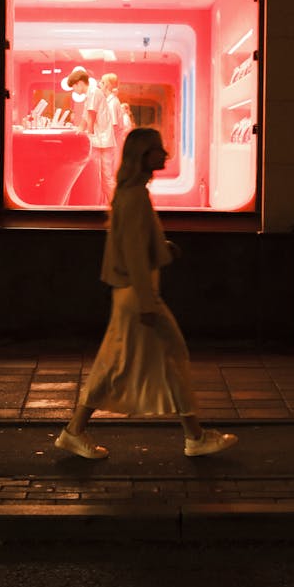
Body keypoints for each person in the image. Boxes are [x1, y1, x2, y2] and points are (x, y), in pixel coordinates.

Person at [55, 127, 238, 460]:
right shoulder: (135, 195)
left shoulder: (130, 192)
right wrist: (146, 301)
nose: (165, 154)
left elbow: (134, 244)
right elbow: (135, 253)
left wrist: (161, 248)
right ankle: (193, 438)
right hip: (137, 294)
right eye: (157, 149)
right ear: (142, 155)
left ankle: (76, 431)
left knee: (131, 361)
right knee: (157, 358)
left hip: (132, 292)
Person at [67, 66, 118, 205]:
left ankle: (118, 207)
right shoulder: (91, 94)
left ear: (80, 83)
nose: (74, 91)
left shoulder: (94, 93)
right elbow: (85, 117)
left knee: (106, 178)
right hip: (101, 141)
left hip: (103, 141)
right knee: (101, 179)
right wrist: (79, 130)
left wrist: (85, 135)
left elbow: (91, 117)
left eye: (74, 87)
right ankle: (110, 205)